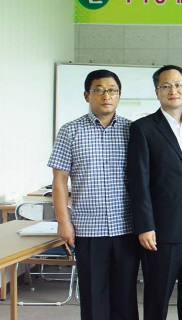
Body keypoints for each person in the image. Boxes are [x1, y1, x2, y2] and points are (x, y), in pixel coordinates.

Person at [48, 69, 139, 320]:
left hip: (126, 227)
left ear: (119, 96)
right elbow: (59, 181)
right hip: (88, 229)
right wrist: (63, 222)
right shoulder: (70, 131)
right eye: (98, 90)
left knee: (126, 295)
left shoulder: (133, 132)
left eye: (112, 90)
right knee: (92, 295)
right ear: (87, 95)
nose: (106, 95)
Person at [127, 65, 182, 320]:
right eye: (166, 86)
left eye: (178, 85)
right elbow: (138, 181)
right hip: (161, 230)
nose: (173, 90)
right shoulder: (143, 128)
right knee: (157, 295)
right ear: (157, 92)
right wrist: (145, 226)